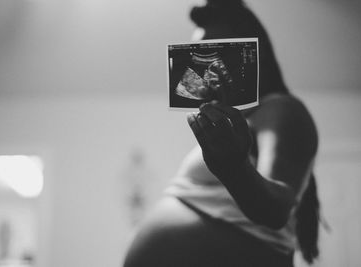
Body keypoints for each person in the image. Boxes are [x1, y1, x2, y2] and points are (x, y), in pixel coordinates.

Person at [123, 0, 320, 266]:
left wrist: (235, 168)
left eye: (213, 47)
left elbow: (277, 209)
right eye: (197, 51)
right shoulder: (234, 125)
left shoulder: (282, 110)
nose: (202, 63)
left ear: (250, 49)